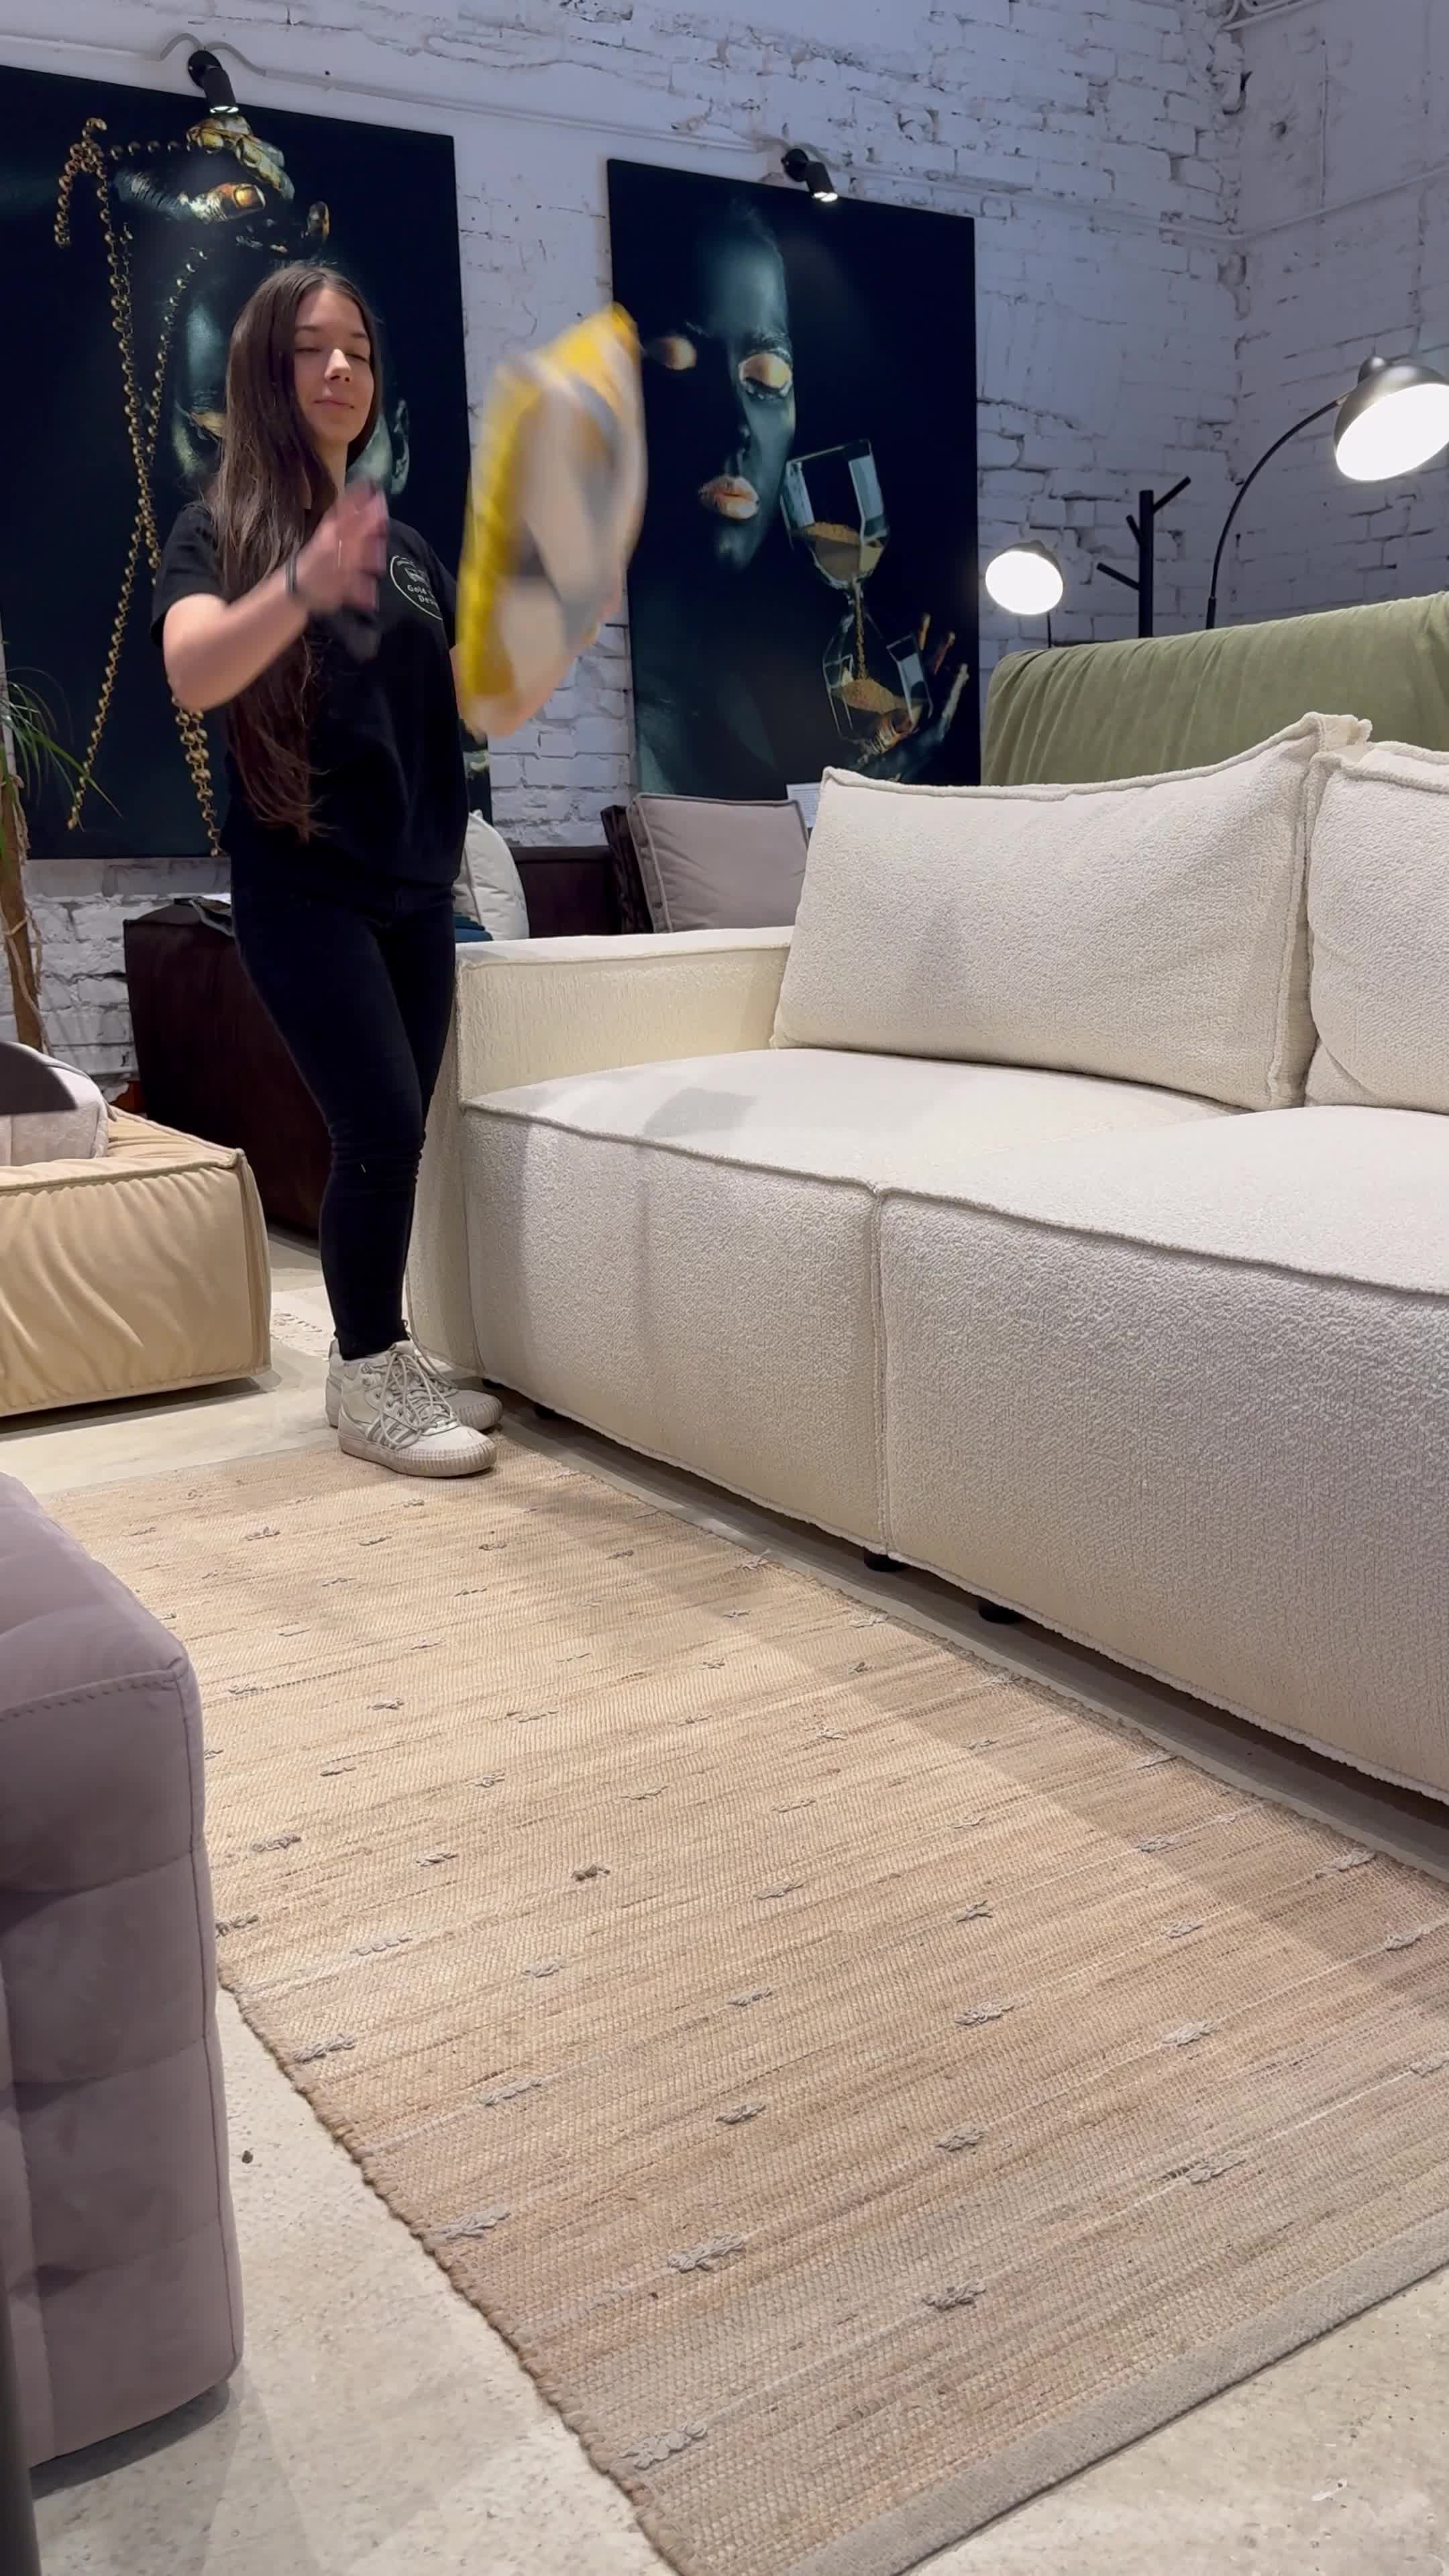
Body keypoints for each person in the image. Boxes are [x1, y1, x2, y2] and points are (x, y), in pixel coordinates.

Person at [152, 262, 498, 1478]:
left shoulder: (403, 549)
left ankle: (378, 1358)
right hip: (304, 885)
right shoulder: (219, 529)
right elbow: (194, 671)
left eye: (357, 347)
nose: (341, 367)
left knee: (400, 1137)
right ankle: (367, 1376)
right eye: (312, 347)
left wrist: (539, 639)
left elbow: (456, 709)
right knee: (381, 1129)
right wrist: (299, 582)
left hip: (417, 885)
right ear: (268, 369)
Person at [628, 195, 967, 798]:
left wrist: (858, 787)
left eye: (767, 377)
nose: (736, 424)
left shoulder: (733, 699)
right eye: (677, 362)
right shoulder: (618, 721)